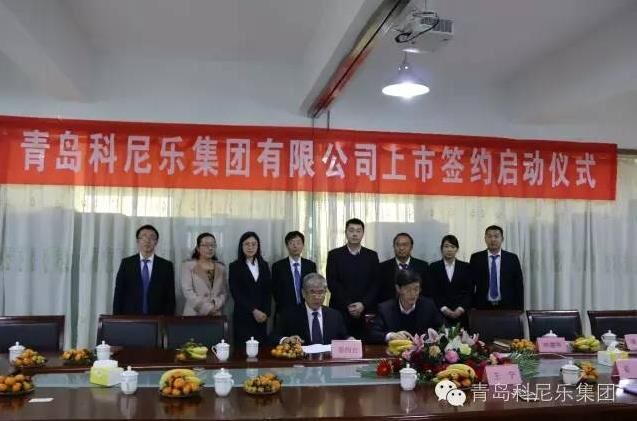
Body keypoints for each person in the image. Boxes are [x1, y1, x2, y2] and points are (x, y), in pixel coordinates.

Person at [326, 218, 380, 339]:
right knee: (341, 345)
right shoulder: (334, 255)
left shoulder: (372, 255)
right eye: (351, 230)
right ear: (346, 233)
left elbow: (376, 283)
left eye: (358, 231)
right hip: (341, 310)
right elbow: (332, 283)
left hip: (366, 311)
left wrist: (363, 304)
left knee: (367, 345)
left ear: (363, 234)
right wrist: (348, 304)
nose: (354, 234)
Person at [112, 224, 175, 315]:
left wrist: (166, 319)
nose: (147, 241)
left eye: (152, 237)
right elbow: (118, 293)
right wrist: (117, 319)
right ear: (138, 241)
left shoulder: (166, 266)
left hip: (157, 318)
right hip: (130, 317)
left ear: (156, 242)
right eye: (143, 237)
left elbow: (170, 297)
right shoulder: (127, 263)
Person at [369, 270, 444, 344]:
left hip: (421, 350)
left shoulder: (428, 306)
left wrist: (432, 337)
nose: (412, 294)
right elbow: (373, 334)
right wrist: (391, 335)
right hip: (395, 350)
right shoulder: (385, 309)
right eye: (408, 289)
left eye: (416, 289)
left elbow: (441, 329)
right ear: (398, 289)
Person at [272, 273, 349, 345]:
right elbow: (272, 338)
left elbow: (343, 337)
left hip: (328, 355)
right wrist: (286, 339)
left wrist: (349, 339)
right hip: (301, 355)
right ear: (303, 293)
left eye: (321, 292)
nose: (317, 297)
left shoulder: (335, 315)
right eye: (312, 292)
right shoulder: (289, 315)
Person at [229, 231, 272, 344]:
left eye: (254, 244)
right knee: (242, 349)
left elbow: (268, 291)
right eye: (247, 244)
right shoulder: (234, 266)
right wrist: (253, 310)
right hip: (243, 315)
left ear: (258, 246)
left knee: (261, 348)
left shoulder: (264, 265)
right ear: (241, 246)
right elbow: (236, 293)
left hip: (261, 317)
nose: (250, 247)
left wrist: (266, 313)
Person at [470, 225, 524, 310]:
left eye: (496, 236)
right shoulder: (476, 258)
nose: (493, 239)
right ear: (485, 239)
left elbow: (518, 286)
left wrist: (519, 309)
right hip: (482, 306)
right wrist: (471, 306)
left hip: (507, 307)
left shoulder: (512, 258)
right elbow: (470, 285)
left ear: (502, 239)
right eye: (489, 236)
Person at [429, 235, 473, 327]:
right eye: (446, 246)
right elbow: (433, 291)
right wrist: (444, 309)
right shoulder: (434, 267)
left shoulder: (466, 267)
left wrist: (460, 309)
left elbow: (469, 291)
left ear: (457, 249)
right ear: (441, 249)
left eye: (452, 247)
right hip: (440, 314)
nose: (449, 250)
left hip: (461, 314)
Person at [271, 231, 317, 319]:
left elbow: (313, 287)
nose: (295, 246)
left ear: (303, 245)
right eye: (292, 243)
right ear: (287, 246)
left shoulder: (310, 265)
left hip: (307, 309)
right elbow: (275, 290)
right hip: (285, 311)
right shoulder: (278, 266)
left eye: (298, 243)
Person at [181, 232, 227, 316]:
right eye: (205, 245)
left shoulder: (221, 268)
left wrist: (215, 305)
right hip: (194, 313)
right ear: (198, 248)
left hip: (215, 313)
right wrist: (206, 308)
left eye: (213, 245)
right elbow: (188, 291)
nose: (210, 248)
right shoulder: (188, 266)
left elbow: (223, 293)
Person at [378, 232, 430, 302]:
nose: (401, 248)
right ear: (393, 247)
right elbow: (380, 292)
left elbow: (427, 291)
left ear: (411, 247)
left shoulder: (423, 266)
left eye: (405, 245)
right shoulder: (383, 267)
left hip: (416, 306)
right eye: (398, 245)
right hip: (390, 307)